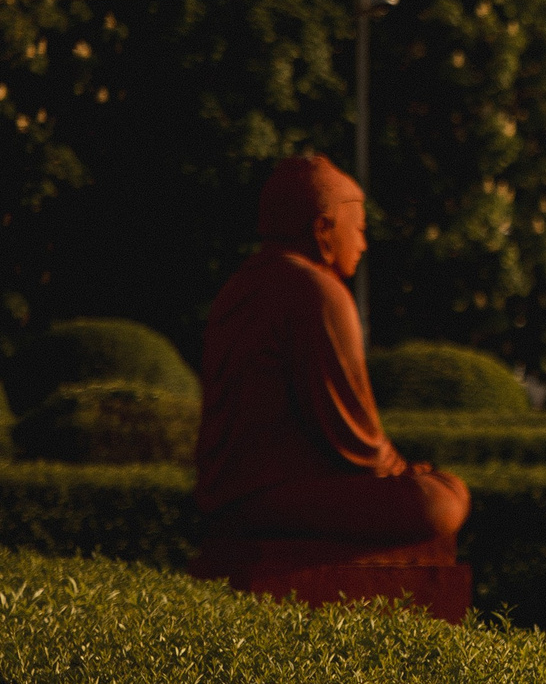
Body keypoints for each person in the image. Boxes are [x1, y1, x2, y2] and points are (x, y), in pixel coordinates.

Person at [195, 154, 470, 545]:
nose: (362, 244)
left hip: (227, 499)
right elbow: (353, 438)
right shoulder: (317, 292)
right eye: (357, 229)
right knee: (441, 499)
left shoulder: (237, 288)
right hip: (274, 500)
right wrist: (402, 473)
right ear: (323, 229)